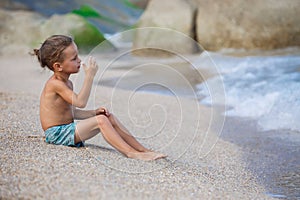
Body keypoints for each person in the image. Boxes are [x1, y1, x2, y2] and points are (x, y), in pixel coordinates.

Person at [33, 35, 166, 161]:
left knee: (108, 117)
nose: (79, 60)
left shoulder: (67, 83)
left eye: (78, 56)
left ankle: (142, 150)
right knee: (101, 121)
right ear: (58, 66)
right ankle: (130, 153)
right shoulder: (55, 84)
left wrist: (94, 112)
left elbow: (71, 112)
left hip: (67, 128)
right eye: (74, 59)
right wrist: (89, 77)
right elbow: (80, 102)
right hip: (57, 134)